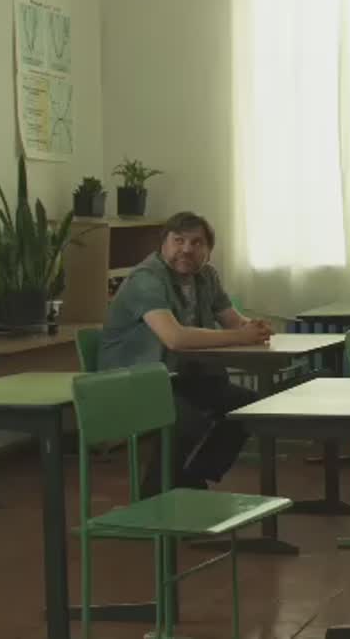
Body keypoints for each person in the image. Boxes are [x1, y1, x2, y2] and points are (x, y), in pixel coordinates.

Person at [99, 211, 273, 497]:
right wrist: (240, 336)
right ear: (163, 245)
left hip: (180, 377)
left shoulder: (206, 276)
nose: (187, 249)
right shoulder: (146, 279)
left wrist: (254, 328)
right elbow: (175, 337)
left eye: (196, 242)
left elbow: (233, 321)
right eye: (178, 241)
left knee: (248, 406)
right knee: (186, 420)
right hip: (134, 380)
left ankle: (191, 479)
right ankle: (153, 496)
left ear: (208, 250)